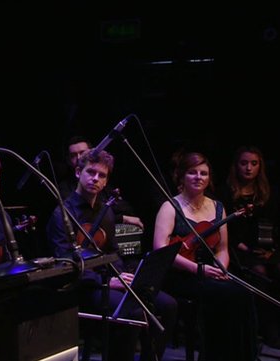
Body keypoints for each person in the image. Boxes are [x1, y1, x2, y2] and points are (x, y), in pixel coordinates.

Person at [47, 149, 177, 361]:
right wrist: (106, 281)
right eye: (91, 172)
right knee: (133, 312)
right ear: (78, 173)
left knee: (169, 305)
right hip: (84, 285)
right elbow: (65, 264)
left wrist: (125, 277)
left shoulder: (105, 211)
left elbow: (113, 251)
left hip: (110, 281)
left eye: (102, 175)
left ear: (106, 181)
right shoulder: (62, 213)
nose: (95, 179)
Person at [153, 151, 258, 361]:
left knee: (245, 294)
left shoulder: (218, 207)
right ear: (182, 176)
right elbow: (160, 249)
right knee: (228, 295)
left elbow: (223, 248)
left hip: (208, 272)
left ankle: (242, 356)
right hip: (178, 274)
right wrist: (199, 269)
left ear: (209, 178)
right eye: (192, 172)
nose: (198, 177)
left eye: (203, 173)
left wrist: (221, 268)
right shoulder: (170, 206)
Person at [217, 145, 280, 348]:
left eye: (254, 164)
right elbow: (226, 230)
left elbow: (273, 225)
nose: (248, 168)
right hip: (237, 251)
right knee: (259, 274)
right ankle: (262, 331)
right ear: (236, 166)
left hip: (265, 248)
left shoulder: (267, 193)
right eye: (244, 163)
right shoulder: (226, 193)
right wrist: (248, 250)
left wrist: (272, 252)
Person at [57, 135, 144, 229]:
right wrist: (121, 218)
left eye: (82, 152)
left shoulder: (101, 181)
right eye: (73, 155)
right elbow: (84, 215)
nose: (78, 157)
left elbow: (125, 209)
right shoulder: (64, 188)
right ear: (77, 172)